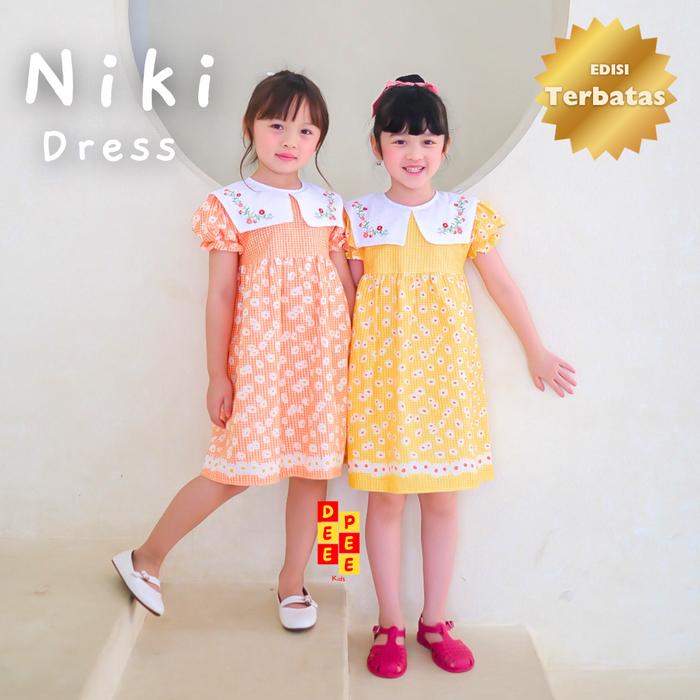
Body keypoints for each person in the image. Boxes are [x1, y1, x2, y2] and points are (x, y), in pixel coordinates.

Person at [342, 74, 577, 678]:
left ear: (445, 147)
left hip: (448, 382)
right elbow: (346, 302)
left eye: (427, 140)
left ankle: (435, 620)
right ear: (376, 145)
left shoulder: (464, 215)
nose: (413, 153)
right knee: (385, 502)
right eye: (399, 139)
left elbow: (502, 286)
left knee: (442, 502)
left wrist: (536, 350)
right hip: (380, 382)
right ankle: (388, 622)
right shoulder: (357, 218)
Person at [112, 70, 355, 631]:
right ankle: (146, 558)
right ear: (250, 127)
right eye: (277, 125)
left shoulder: (328, 206)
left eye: (306, 130)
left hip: (323, 362)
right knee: (234, 469)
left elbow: (345, 286)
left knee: (315, 472)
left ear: (319, 140)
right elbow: (221, 295)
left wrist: (356, 359)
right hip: (262, 360)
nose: (290, 141)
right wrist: (217, 375)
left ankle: (293, 582)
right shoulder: (232, 205)